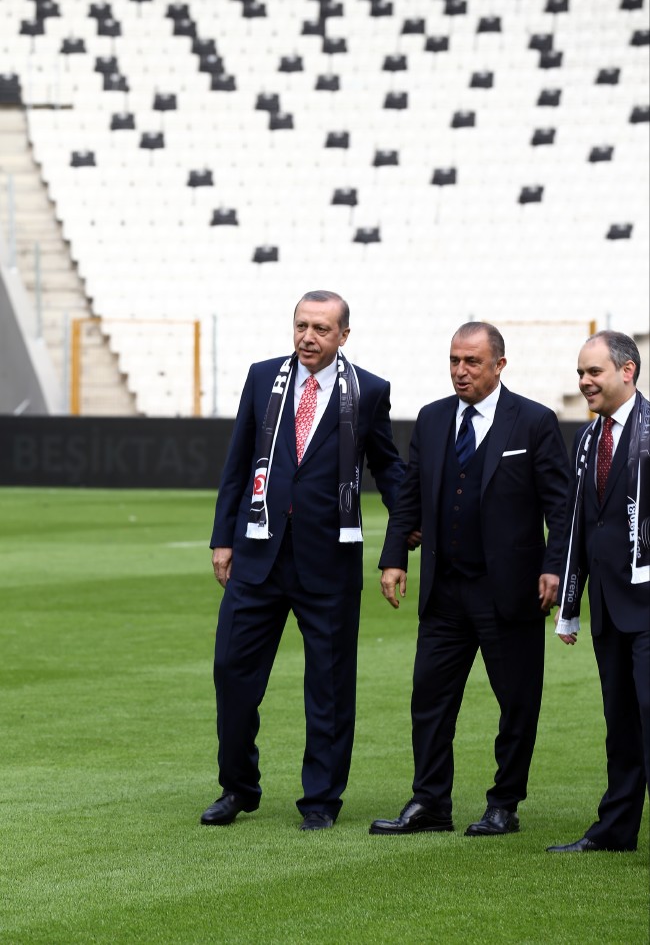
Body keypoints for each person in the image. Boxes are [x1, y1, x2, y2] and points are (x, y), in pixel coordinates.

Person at [201, 290, 405, 831]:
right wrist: (223, 538)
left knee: (330, 688)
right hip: (258, 553)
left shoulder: (369, 391)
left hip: (329, 561)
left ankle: (321, 801)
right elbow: (238, 462)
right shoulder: (262, 377)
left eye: (321, 329)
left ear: (343, 335)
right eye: (301, 326)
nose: (308, 337)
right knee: (231, 672)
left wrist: (408, 525)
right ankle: (237, 787)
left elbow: (387, 466)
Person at [369, 322, 570, 837]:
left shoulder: (534, 421)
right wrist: (394, 557)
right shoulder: (433, 418)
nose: (460, 371)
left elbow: (561, 506)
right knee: (429, 699)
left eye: (472, 362)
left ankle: (504, 804)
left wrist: (555, 568)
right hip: (445, 590)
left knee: (517, 702)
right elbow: (410, 494)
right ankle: (430, 802)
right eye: (454, 360)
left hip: (511, 590)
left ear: (499, 365)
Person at [547, 330, 649, 853]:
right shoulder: (588, 439)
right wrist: (570, 604)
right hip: (608, 608)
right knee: (621, 724)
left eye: (594, 372)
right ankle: (615, 831)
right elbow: (580, 526)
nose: (584, 382)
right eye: (580, 373)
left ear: (627, 371)